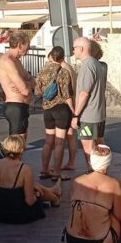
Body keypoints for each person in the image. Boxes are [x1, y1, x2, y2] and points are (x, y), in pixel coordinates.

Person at [62, 145, 121, 243]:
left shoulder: (77, 181)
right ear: (108, 164)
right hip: (99, 242)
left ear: (90, 162)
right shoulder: (113, 184)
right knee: (113, 216)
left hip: (71, 238)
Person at [0, 135, 62, 224]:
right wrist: (36, 195)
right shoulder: (24, 168)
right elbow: (30, 201)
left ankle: (52, 190)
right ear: (22, 149)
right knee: (34, 189)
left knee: (32, 184)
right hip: (19, 214)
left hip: (1, 213)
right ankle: (55, 199)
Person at [35, 46, 74, 181]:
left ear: (51, 56)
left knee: (48, 141)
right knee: (59, 143)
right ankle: (57, 173)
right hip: (61, 109)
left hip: (47, 109)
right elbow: (66, 94)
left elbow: (38, 91)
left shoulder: (42, 71)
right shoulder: (64, 72)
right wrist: (74, 111)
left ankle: (44, 170)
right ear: (62, 58)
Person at [71, 37, 107, 170]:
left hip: (88, 116)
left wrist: (76, 115)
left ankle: (93, 174)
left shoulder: (87, 66)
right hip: (98, 114)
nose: (73, 51)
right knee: (100, 147)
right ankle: (102, 172)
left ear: (81, 49)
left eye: (74, 48)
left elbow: (84, 94)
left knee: (88, 147)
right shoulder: (97, 64)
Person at [0, 31, 35, 142]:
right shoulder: (8, 62)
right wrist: (28, 83)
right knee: (16, 143)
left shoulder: (16, 61)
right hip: (15, 106)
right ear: (20, 45)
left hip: (22, 106)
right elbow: (25, 90)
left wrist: (28, 82)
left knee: (21, 142)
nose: (29, 48)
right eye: (27, 45)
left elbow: (33, 81)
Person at [60, 58, 78, 171]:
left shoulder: (63, 69)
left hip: (66, 105)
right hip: (72, 103)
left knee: (60, 137)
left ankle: (57, 165)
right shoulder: (70, 68)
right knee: (71, 136)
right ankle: (71, 162)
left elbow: (66, 91)